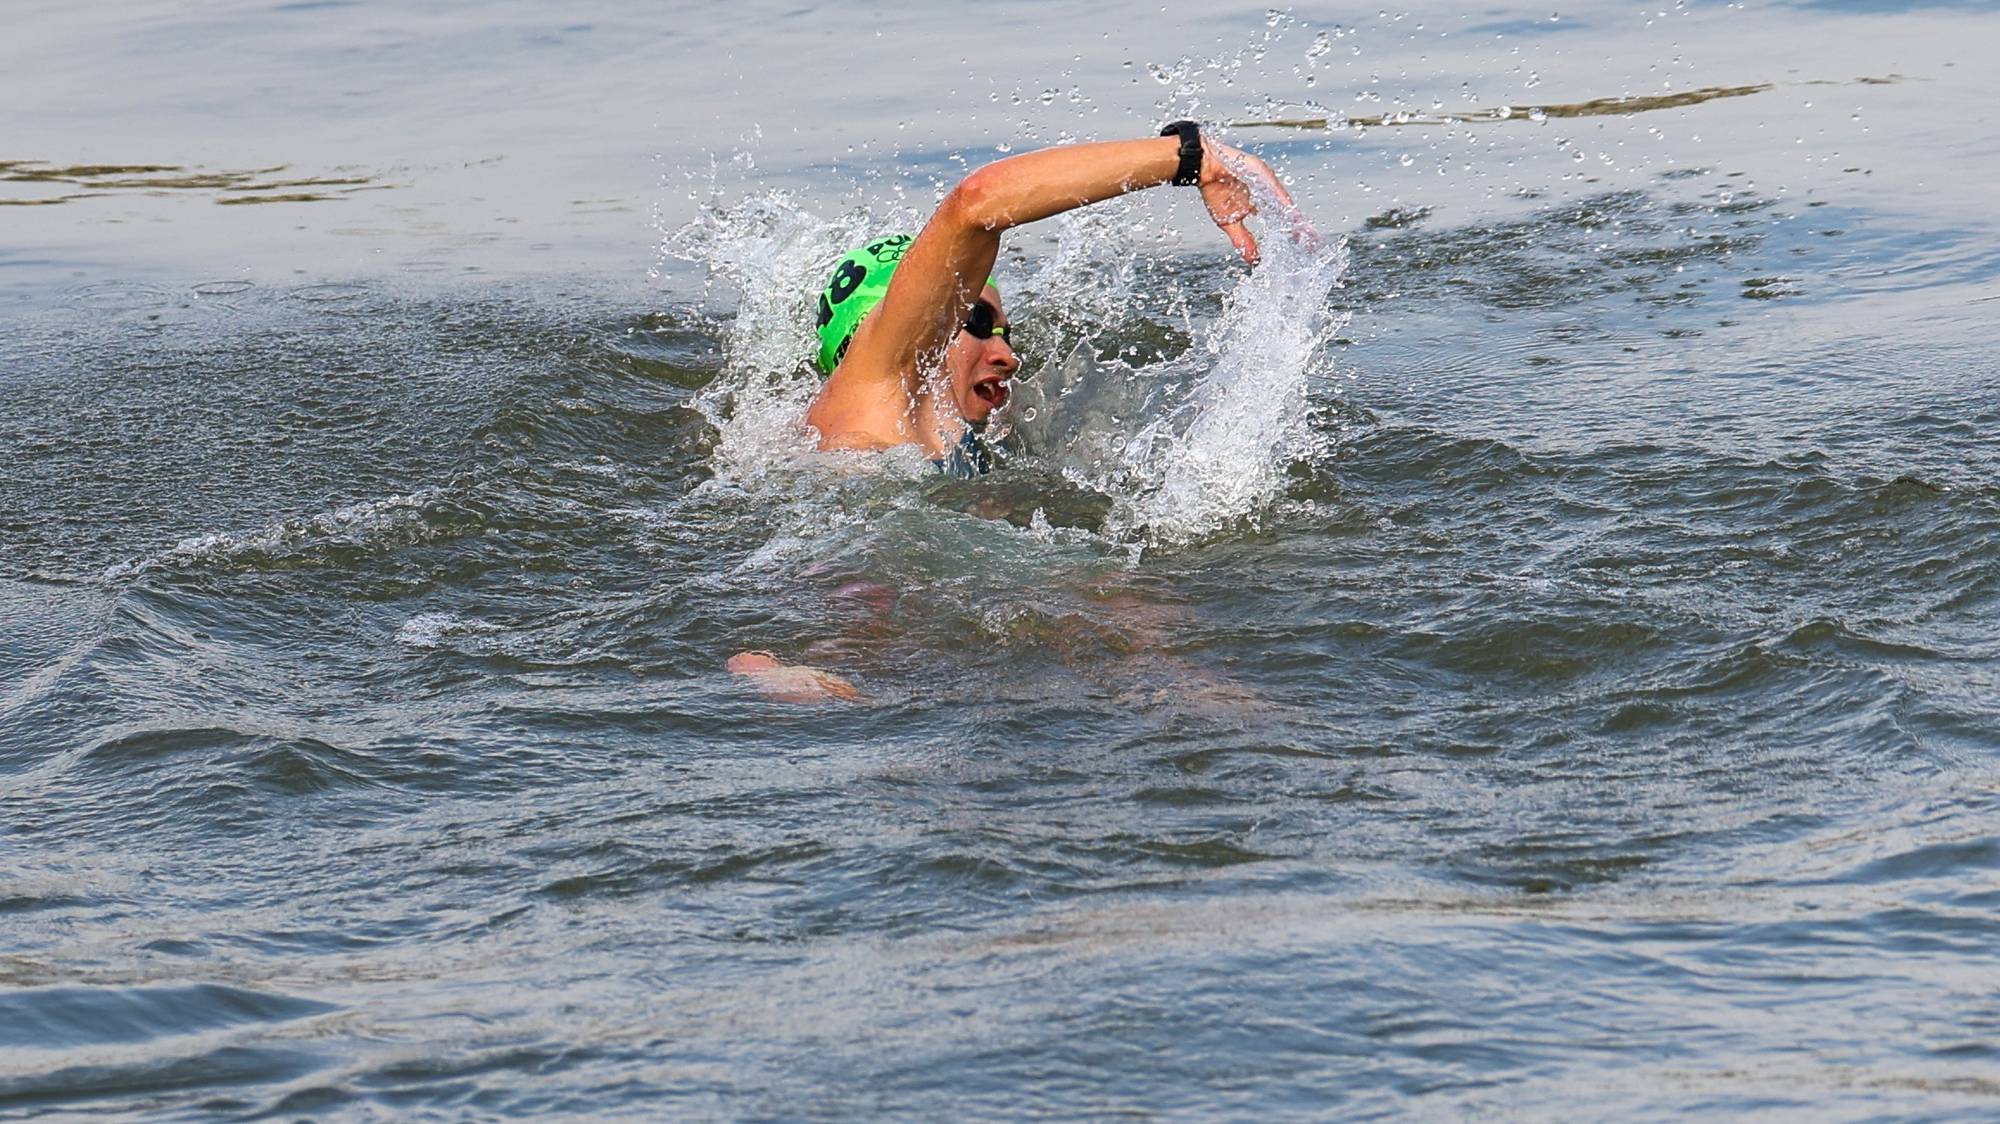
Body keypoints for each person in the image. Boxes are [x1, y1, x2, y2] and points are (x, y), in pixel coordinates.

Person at [732, 122, 1300, 703]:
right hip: (858, 611)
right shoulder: (879, 382)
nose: (1006, 354)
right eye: (977, 322)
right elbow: (973, 205)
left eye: (1005, 331)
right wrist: (1187, 157)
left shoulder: (920, 433)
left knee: (1127, 607)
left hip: (913, 622)